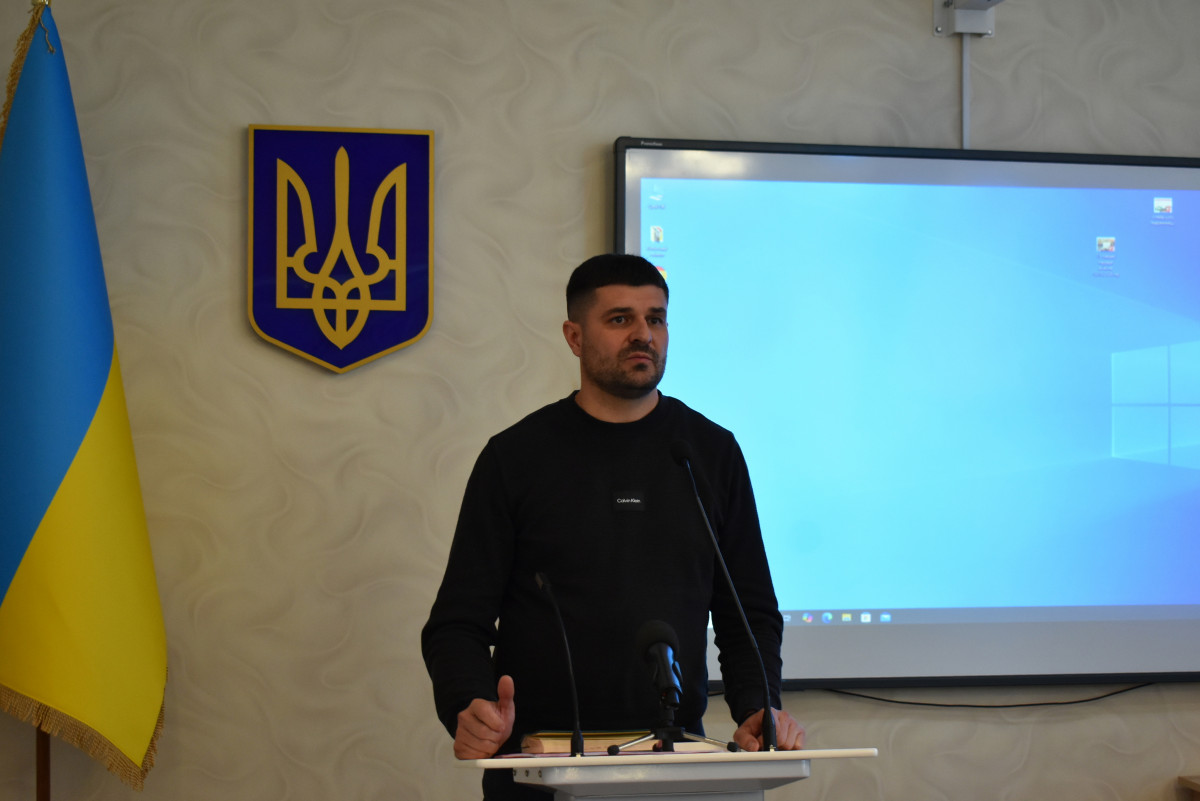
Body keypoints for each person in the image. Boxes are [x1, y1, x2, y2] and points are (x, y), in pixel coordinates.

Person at [421, 254, 803, 800]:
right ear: (574, 337)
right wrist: (469, 703)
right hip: (540, 765)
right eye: (620, 319)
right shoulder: (516, 458)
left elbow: (750, 614)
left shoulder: (709, 453)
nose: (643, 334)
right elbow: (457, 622)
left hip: (676, 765)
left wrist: (758, 707)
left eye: (656, 318)